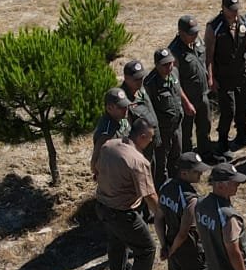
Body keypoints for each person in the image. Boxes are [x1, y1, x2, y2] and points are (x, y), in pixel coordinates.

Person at [91, 115, 158, 270]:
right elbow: (149, 196)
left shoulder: (109, 146)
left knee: (117, 244)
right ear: (142, 136)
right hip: (122, 213)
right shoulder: (138, 161)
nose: (152, 140)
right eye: (151, 137)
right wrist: (163, 214)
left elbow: (94, 166)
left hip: (103, 207)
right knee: (147, 249)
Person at [158, 150, 213, 270]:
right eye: (196, 172)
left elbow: (158, 218)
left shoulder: (165, 187)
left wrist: (164, 244)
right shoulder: (191, 199)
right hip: (189, 250)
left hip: (172, 246)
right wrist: (171, 248)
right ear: (183, 173)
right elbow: (184, 232)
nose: (200, 175)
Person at [205, 0, 246, 153]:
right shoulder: (214, 27)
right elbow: (209, 55)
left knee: (242, 107)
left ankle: (242, 135)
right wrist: (211, 77)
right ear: (223, 9)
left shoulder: (243, 22)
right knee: (229, 109)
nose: (235, 13)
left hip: (241, 73)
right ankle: (223, 142)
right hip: (224, 75)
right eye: (231, 10)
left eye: (236, 9)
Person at [143, 47, 192, 187]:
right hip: (162, 130)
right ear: (156, 65)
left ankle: (176, 185)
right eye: (164, 64)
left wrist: (187, 103)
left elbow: (178, 89)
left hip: (177, 126)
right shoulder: (150, 83)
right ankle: (163, 189)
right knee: (161, 163)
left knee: (177, 157)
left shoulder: (174, 72)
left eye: (171, 63)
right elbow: (147, 109)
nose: (169, 67)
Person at [170, 14, 215, 159]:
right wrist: (186, 103)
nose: (195, 35)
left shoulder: (198, 42)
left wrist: (210, 76)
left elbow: (205, 59)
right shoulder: (174, 52)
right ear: (181, 33)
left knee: (205, 126)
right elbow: (175, 81)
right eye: (191, 33)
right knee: (186, 132)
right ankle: (188, 161)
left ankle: (205, 154)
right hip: (187, 99)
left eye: (196, 31)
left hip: (202, 94)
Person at [91, 87, 133, 157]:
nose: (125, 109)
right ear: (109, 108)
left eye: (126, 106)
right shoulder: (106, 132)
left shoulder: (123, 119)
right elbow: (98, 157)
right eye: (120, 107)